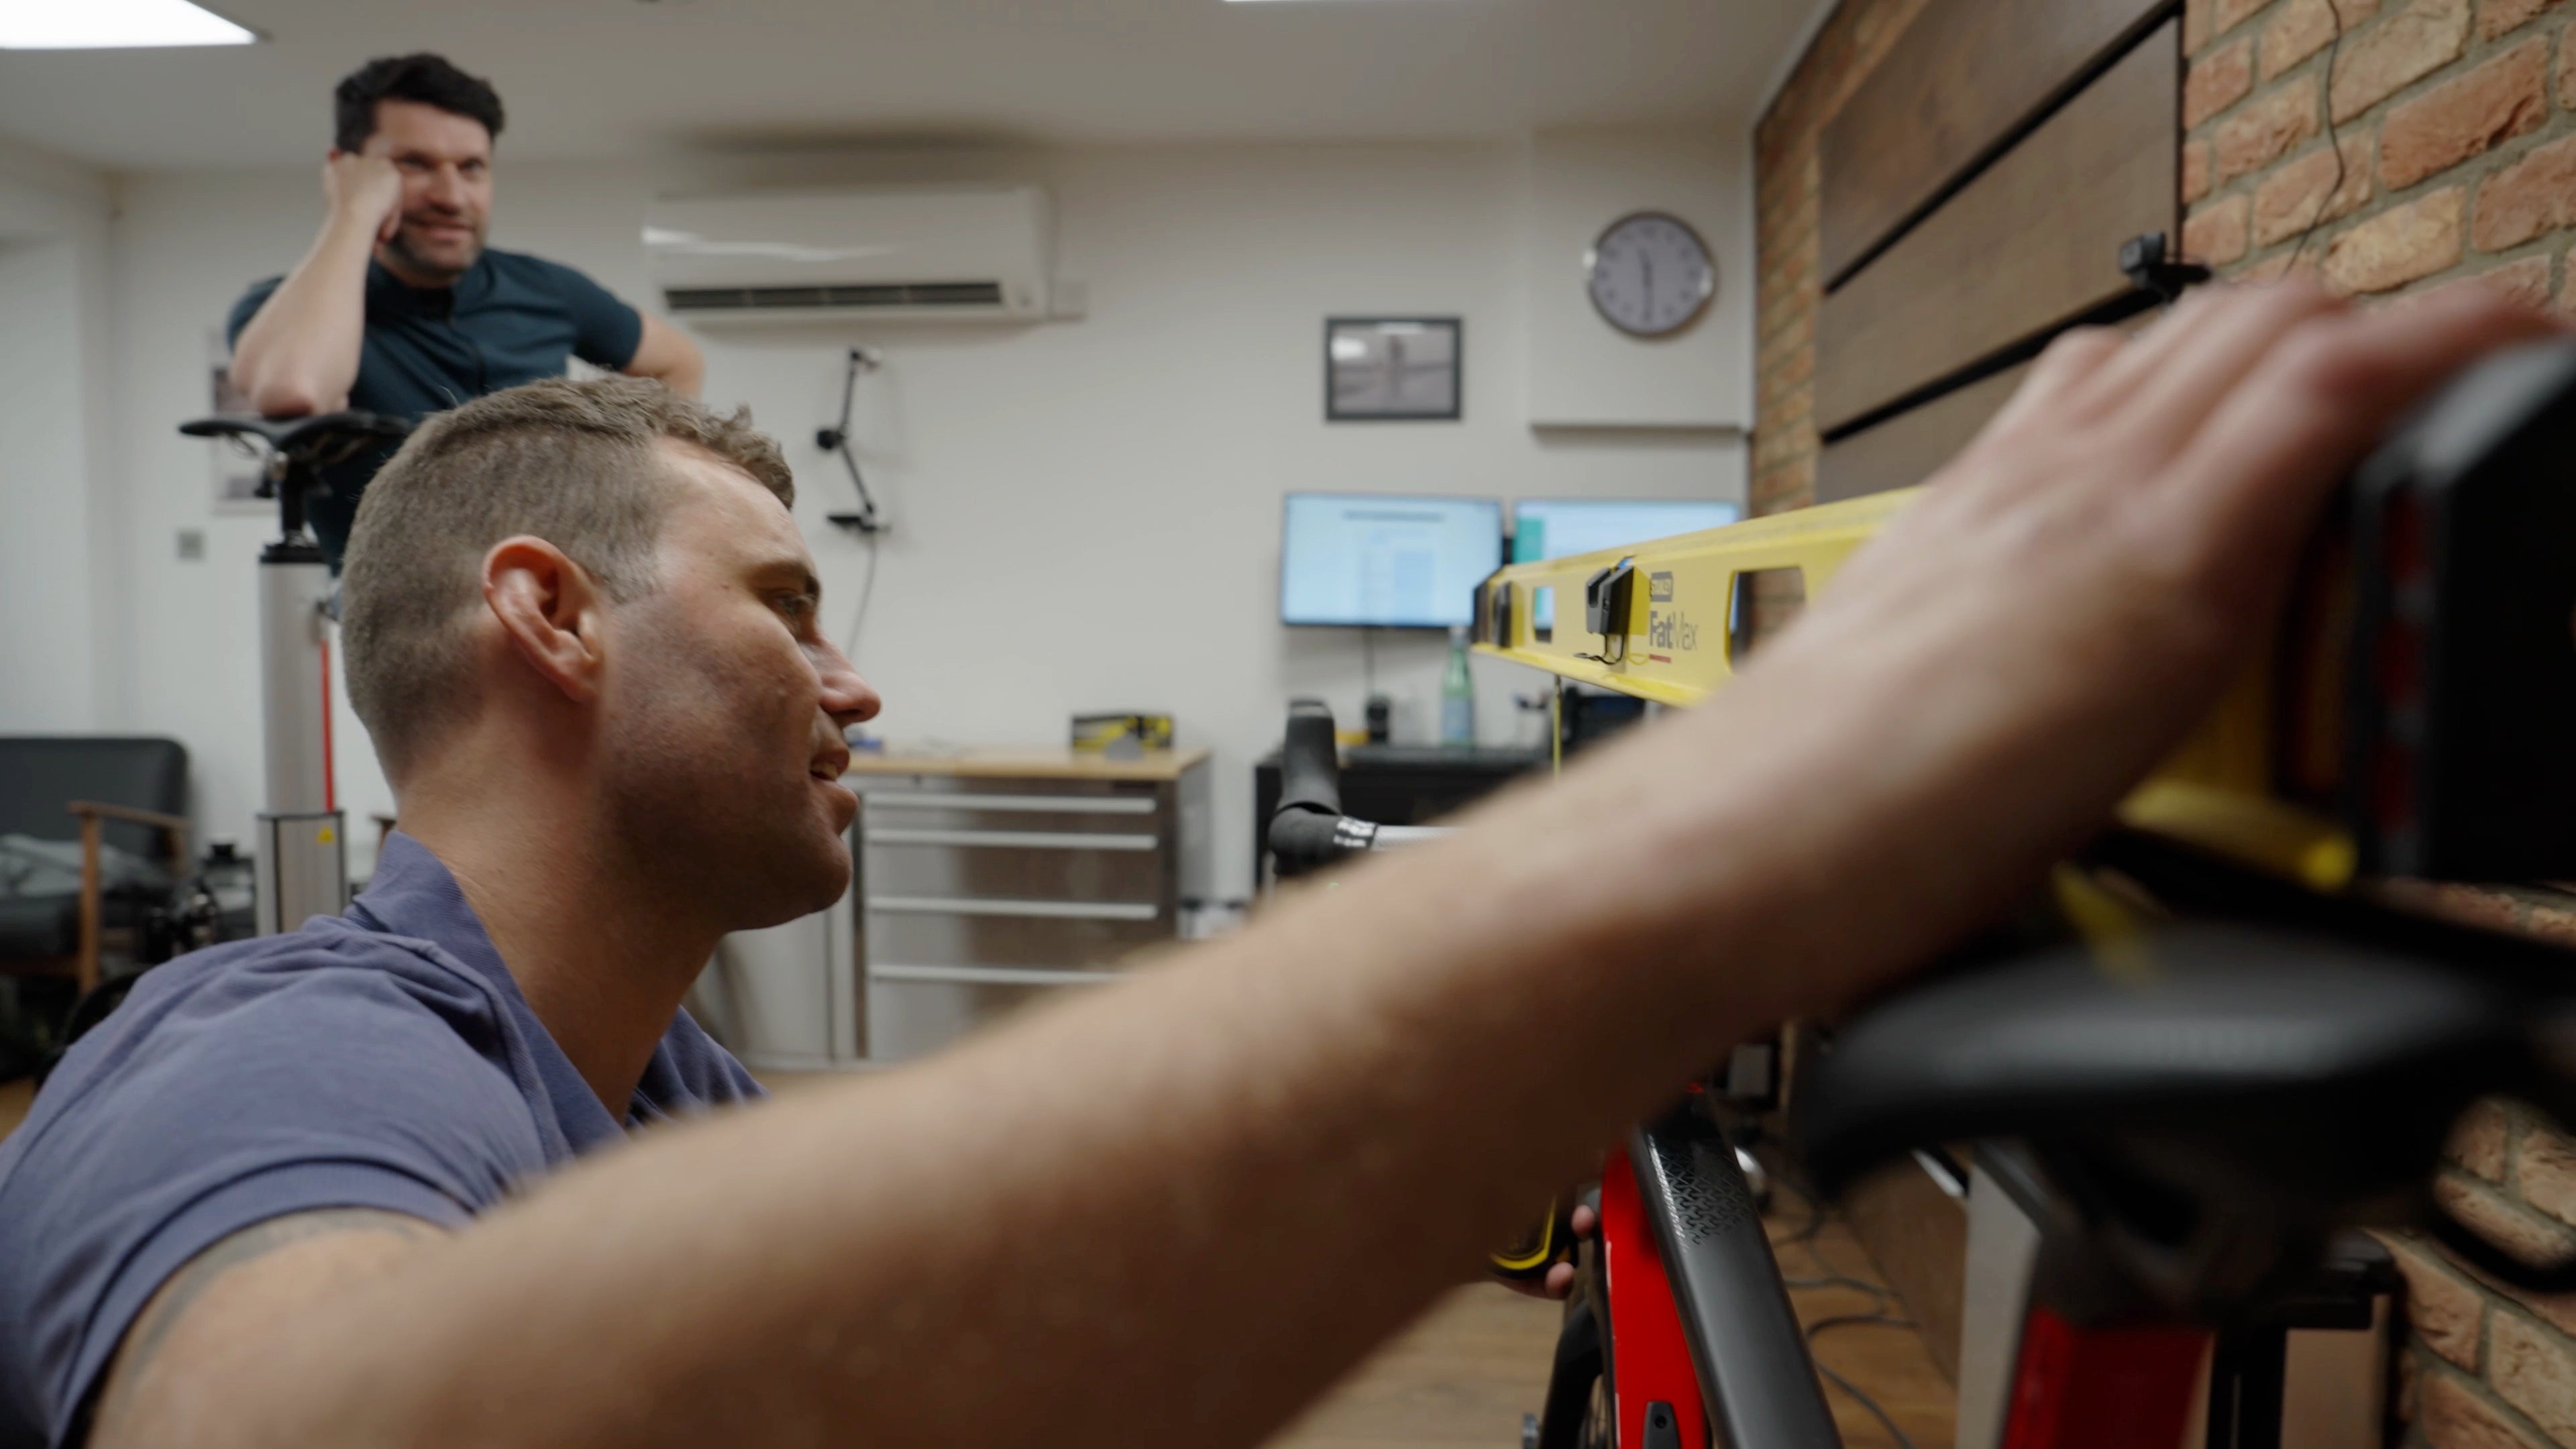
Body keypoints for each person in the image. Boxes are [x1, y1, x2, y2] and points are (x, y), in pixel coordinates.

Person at [0, 282, 2551, 1449]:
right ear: (551, 618)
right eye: (789, 607)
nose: (856, 685)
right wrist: (1782, 802)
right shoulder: (273, 1057)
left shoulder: (652, 1082)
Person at [225, 53, 704, 568]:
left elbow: (678, 363)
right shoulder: (286, 308)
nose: (452, 197)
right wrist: (353, 214)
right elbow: (295, 391)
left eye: (471, 168)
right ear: (349, 170)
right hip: (388, 601)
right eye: (415, 164)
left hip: (542, 584)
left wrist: (624, 491)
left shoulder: (548, 289)